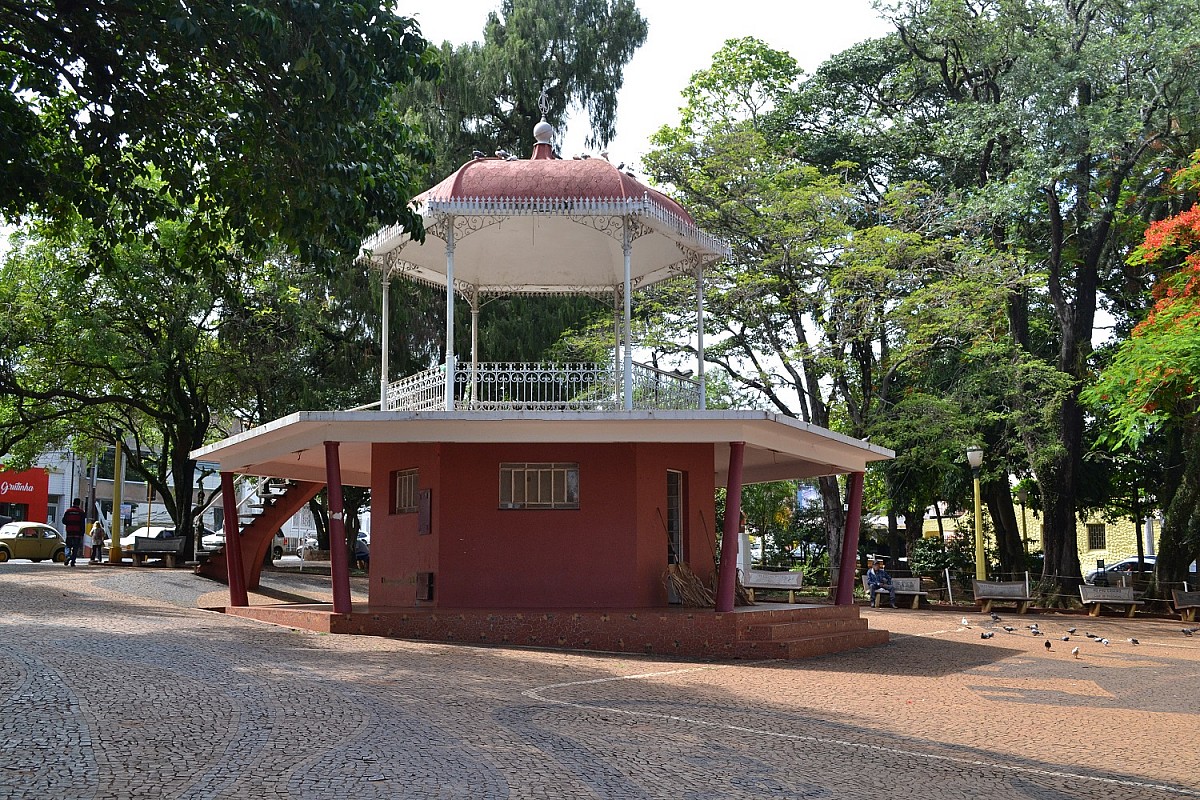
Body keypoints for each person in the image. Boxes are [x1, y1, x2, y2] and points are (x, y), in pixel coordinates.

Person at [62, 498, 87, 567]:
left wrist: (69, 524)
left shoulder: (68, 511)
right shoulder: (81, 512)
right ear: (79, 504)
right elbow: (82, 524)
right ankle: (73, 561)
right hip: (77, 533)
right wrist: (82, 533)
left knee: (68, 546)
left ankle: (67, 556)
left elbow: (64, 521)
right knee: (75, 547)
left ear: (73, 503)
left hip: (69, 531)